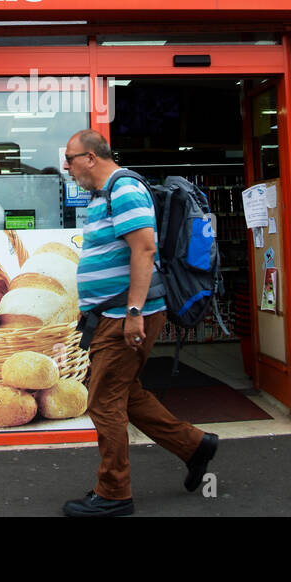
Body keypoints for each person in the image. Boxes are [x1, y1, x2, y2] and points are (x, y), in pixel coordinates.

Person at [61, 129, 218, 516]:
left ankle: (114, 493)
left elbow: (144, 249)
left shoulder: (124, 188)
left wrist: (132, 313)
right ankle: (194, 445)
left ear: (91, 158)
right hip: (111, 315)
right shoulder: (104, 196)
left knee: (103, 403)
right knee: (126, 394)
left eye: (70, 158)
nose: (67, 167)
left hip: (126, 316)